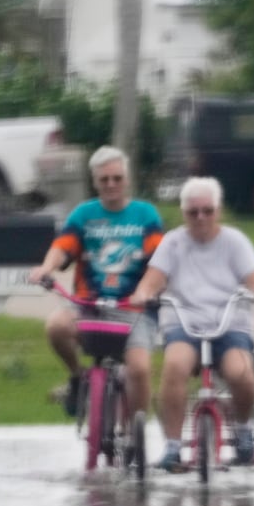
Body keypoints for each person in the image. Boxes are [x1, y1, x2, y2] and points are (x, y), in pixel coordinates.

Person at [129, 177, 254, 471]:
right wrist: (143, 293)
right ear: (184, 213)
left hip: (229, 325)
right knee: (174, 366)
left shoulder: (235, 241)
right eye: (193, 212)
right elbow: (153, 279)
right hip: (185, 324)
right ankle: (172, 444)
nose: (201, 218)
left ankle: (243, 429)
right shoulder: (173, 242)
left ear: (217, 210)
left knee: (241, 373)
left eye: (207, 211)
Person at [27, 146, 163, 430]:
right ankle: (79, 378)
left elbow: (159, 261)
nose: (111, 185)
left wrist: (147, 290)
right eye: (104, 180)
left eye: (116, 178)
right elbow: (63, 248)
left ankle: (135, 431)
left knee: (139, 369)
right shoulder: (84, 214)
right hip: (89, 306)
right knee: (56, 326)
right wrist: (46, 268)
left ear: (126, 179)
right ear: (95, 182)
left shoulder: (145, 215)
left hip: (133, 308)